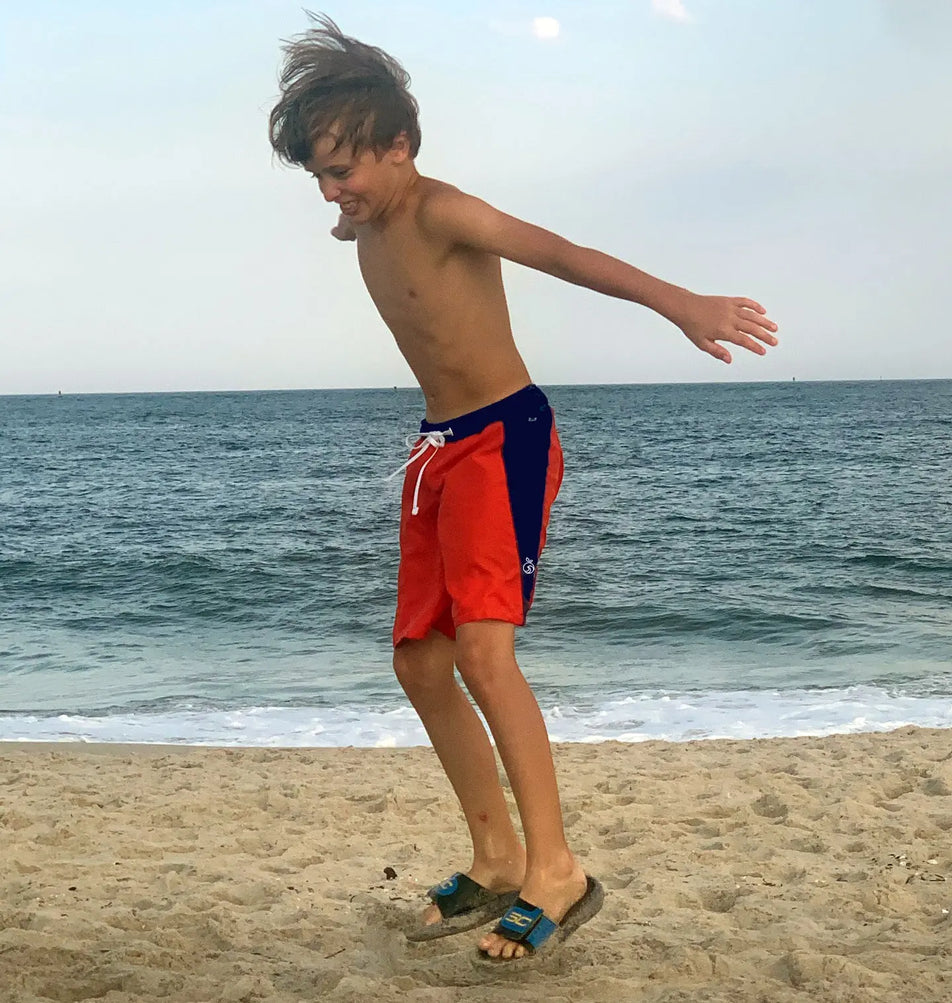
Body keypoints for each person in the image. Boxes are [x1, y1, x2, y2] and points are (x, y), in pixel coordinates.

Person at [269, 14, 778, 963]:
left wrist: (683, 305)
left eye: (345, 171)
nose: (333, 194)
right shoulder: (370, 214)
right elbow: (358, 209)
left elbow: (566, 255)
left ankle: (557, 869)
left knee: (485, 655)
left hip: (504, 439)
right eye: (321, 178)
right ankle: (496, 856)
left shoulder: (442, 210)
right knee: (420, 663)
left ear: (401, 147)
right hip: (439, 449)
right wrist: (352, 203)